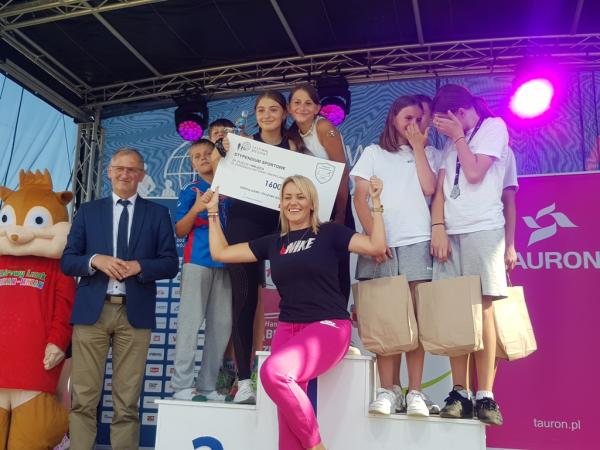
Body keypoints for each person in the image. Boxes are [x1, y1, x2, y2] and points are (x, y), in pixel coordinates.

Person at [203, 174, 386, 450]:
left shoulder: (330, 232)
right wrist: (213, 212)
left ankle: (316, 446)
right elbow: (221, 253)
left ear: (312, 203)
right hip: (288, 329)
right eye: (287, 197)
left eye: (300, 197)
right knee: (286, 418)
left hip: (328, 326)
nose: (293, 203)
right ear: (280, 204)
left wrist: (376, 205)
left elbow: (376, 246)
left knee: (274, 373)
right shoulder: (273, 242)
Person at [61, 148, 179, 449]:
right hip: (93, 312)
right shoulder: (89, 211)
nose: (125, 174)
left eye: (132, 169)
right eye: (120, 169)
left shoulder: (157, 214)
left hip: (134, 314)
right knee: (83, 398)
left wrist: (141, 266)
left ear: (142, 175)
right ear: (109, 172)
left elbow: (170, 263)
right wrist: (95, 260)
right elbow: (68, 260)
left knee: (127, 401)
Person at [351, 95, 438, 416]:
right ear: (393, 119)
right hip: (381, 244)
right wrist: (375, 237)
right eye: (407, 118)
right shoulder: (373, 153)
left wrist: (418, 148)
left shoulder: (430, 153)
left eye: (418, 119)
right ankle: (389, 390)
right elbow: (360, 198)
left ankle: (415, 391)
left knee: (416, 320)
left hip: (417, 241)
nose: (413, 124)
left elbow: (429, 189)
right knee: (386, 319)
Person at [430, 84, 509, 426]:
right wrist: (438, 226)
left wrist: (459, 137)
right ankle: (459, 391)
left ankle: (486, 394)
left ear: (459, 113)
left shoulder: (493, 127)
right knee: (455, 311)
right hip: (452, 233)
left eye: (444, 122)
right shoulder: (450, 143)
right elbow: (440, 190)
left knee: (484, 309)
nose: (441, 130)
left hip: (483, 229)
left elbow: (475, 172)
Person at [212, 91, 296, 404]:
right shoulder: (242, 143)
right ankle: (244, 380)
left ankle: (291, 373)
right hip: (243, 226)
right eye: (261, 110)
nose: (267, 115)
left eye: (273, 109)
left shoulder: (294, 147)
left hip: (282, 226)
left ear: (284, 113)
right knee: (244, 304)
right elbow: (219, 171)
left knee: (295, 298)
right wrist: (222, 150)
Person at [169, 139, 232, 401]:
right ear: (192, 163)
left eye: (208, 153)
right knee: (190, 323)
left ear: (217, 156)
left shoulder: (233, 186)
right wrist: (196, 208)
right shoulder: (190, 189)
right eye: (196, 156)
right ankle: (182, 385)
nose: (203, 158)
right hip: (197, 261)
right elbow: (179, 230)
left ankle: (207, 386)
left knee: (221, 325)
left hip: (227, 261)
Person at [287, 83, 355, 302]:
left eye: (308, 103)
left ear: (317, 108)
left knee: (337, 267)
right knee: (311, 268)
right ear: (289, 108)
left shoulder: (324, 127)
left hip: (336, 205)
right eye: (297, 103)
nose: (302, 108)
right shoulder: (290, 136)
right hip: (307, 209)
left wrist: (340, 214)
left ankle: (339, 317)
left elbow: (342, 173)